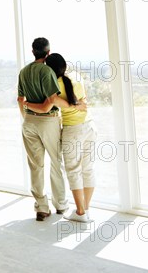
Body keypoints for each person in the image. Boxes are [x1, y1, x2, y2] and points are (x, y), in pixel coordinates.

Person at [24, 53, 96, 223]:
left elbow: (44, 108)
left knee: (73, 171)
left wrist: (26, 103)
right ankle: (86, 210)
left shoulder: (54, 85)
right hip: (90, 126)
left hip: (73, 130)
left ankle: (79, 213)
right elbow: (82, 100)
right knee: (88, 169)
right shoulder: (77, 77)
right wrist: (77, 105)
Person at [17, 37, 70, 221]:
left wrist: (27, 116)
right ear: (48, 53)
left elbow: (20, 100)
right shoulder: (47, 71)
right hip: (48, 121)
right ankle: (61, 205)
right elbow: (50, 103)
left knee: (35, 165)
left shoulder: (23, 72)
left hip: (28, 122)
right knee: (56, 162)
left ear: (33, 52)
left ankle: (41, 207)